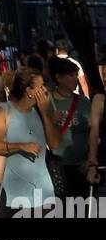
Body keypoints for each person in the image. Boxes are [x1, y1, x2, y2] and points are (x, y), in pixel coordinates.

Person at [0, 67, 62, 215]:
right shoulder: (4, 110)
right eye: (41, 87)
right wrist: (21, 146)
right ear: (29, 91)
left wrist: (47, 114)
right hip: (14, 193)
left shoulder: (43, 112)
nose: (45, 90)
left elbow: (54, 144)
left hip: (43, 193)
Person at [47, 56, 92, 198]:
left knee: (82, 206)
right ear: (58, 78)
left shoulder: (83, 102)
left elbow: (93, 132)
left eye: (75, 75)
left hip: (82, 165)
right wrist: (50, 120)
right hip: (58, 165)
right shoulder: (47, 102)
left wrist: (91, 160)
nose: (75, 79)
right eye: (70, 75)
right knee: (62, 206)